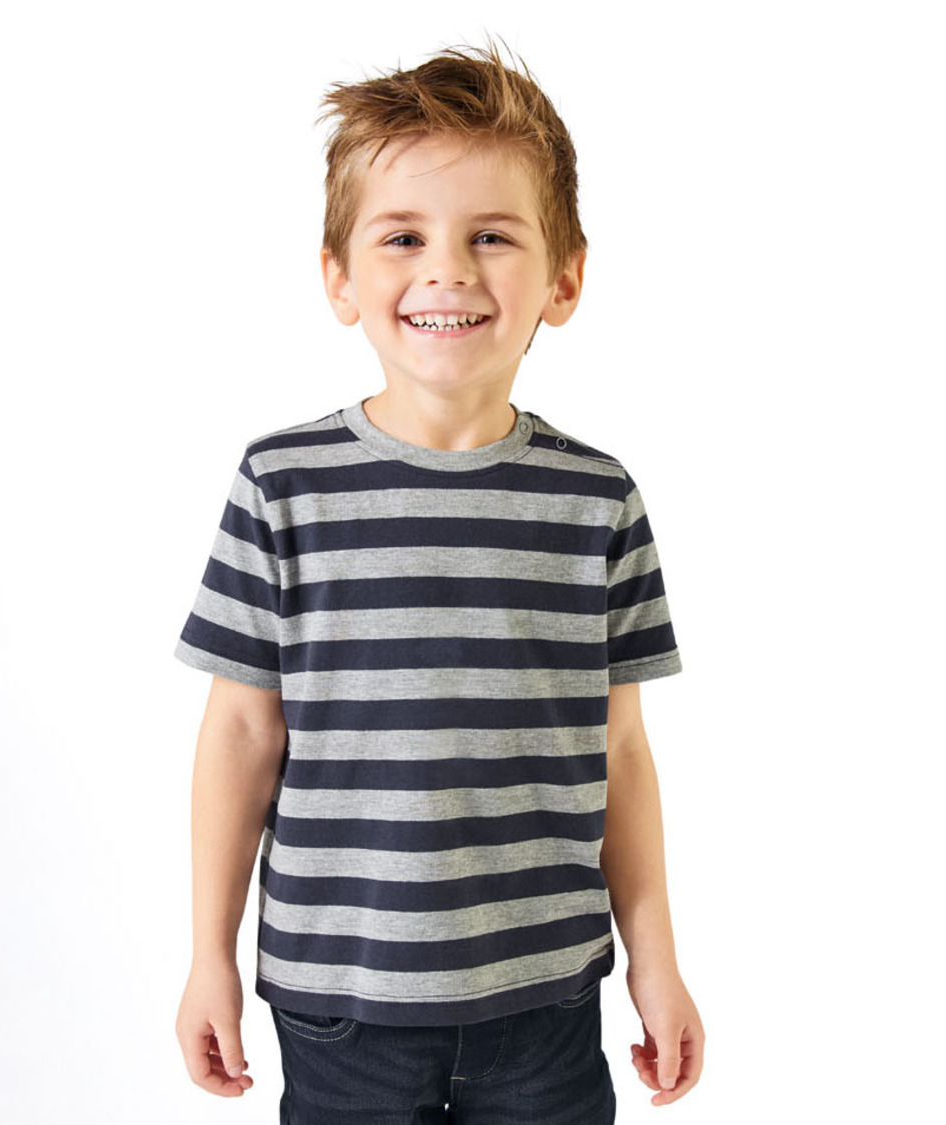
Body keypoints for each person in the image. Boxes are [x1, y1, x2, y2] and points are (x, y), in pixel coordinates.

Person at [172, 36, 704, 1122]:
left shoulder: (597, 501)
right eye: (403, 236)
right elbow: (239, 734)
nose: (448, 270)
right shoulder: (283, 486)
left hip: (547, 1002)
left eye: (492, 236)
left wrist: (656, 959)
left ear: (565, 278)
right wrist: (207, 954)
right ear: (340, 277)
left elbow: (621, 752)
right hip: (339, 1005)